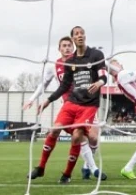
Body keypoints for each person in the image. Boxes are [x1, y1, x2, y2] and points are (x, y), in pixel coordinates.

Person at [26, 35, 104, 182]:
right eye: (64, 46)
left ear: (73, 47)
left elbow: (99, 71)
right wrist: (32, 99)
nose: (67, 48)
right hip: (69, 107)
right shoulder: (54, 66)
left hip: (86, 106)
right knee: (59, 131)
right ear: (59, 49)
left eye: (69, 45)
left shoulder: (84, 62)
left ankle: (88, 165)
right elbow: (43, 84)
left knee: (93, 138)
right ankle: (46, 168)